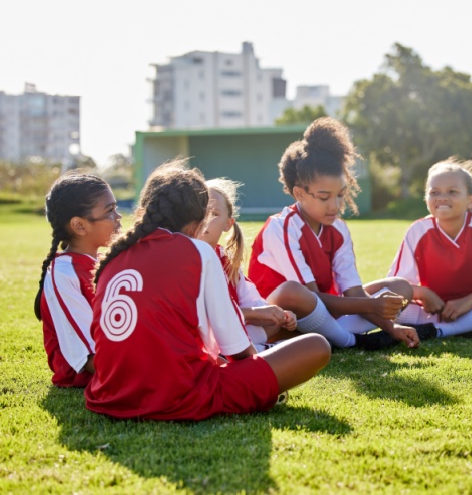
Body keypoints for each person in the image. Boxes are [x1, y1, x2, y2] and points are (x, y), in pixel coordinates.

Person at [85, 160, 330, 420]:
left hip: (109, 395)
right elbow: (237, 350)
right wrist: (261, 377)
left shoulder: (112, 258)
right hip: (177, 396)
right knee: (316, 346)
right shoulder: (198, 251)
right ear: (198, 221)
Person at [248, 117, 424, 350]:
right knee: (295, 294)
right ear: (299, 193)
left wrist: (392, 328)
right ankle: (351, 341)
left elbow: (352, 290)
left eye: (340, 195)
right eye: (324, 197)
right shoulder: (281, 227)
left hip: (323, 315)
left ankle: (332, 335)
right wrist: (371, 306)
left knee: (400, 287)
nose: (335, 205)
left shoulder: (338, 229)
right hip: (280, 319)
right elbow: (310, 298)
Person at [388, 157, 472, 337]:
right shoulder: (418, 231)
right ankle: (470, 327)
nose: (442, 197)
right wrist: (424, 294)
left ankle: (439, 331)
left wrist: (470, 300)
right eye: (434, 192)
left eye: (452, 191)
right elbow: (395, 286)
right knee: (391, 304)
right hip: (437, 311)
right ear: (426, 198)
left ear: (470, 200)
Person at [202, 177, 335, 350]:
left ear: (228, 224)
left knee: (277, 321)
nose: (204, 219)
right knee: (311, 344)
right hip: (207, 337)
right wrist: (253, 313)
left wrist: (273, 312)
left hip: (235, 330)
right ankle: (261, 351)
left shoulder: (226, 260)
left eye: (214, 214)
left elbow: (249, 298)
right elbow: (206, 315)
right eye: (200, 212)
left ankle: (262, 348)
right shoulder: (186, 260)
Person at [34, 172, 122, 388]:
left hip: (119, 358)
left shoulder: (106, 262)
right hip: (89, 374)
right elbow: (90, 357)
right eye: (110, 211)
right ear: (80, 226)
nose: (119, 217)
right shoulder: (64, 272)